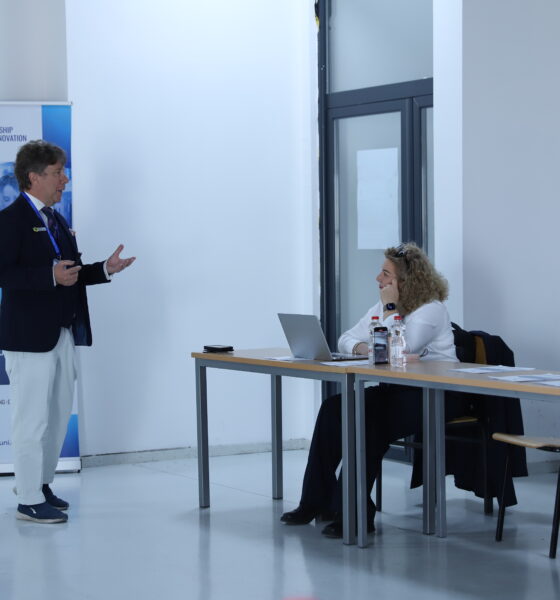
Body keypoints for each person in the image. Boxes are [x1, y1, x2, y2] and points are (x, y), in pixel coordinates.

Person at [281, 242, 468, 538]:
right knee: (333, 409)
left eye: (385, 274)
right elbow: (345, 339)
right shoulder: (379, 307)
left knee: (369, 421)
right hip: (398, 389)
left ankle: (354, 513)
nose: (378, 279)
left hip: (436, 393)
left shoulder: (430, 309)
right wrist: (368, 347)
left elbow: (401, 347)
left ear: (405, 280)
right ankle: (315, 501)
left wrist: (391, 310)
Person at [0, 140, 135, 524]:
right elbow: (4, 273)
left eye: (63, 172)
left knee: (58, 415)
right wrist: (48, 276)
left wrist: (104, 269)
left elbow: (69, 274)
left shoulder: (56, 220)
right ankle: (28, 499)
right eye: (58, 173)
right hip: (28, 337)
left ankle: (40, 485)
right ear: (33, 177)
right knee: (31, 420)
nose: (65, 179)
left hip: (61, 333)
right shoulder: (10, 219)